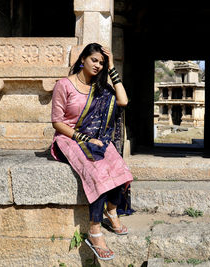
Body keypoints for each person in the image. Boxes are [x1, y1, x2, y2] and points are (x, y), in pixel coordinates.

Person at [50, 43, 133, 261]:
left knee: (120, 168)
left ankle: (111, 210)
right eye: (94, 60)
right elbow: (57, 122)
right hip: (69, 138)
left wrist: (113, 67)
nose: (97, 65)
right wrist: (84, 138)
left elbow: (123, 100)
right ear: (83, 59)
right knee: (97, 171)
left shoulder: (101, 88)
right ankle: (94, 230)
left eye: (101, 63)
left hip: (97, 140)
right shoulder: (64, 85)